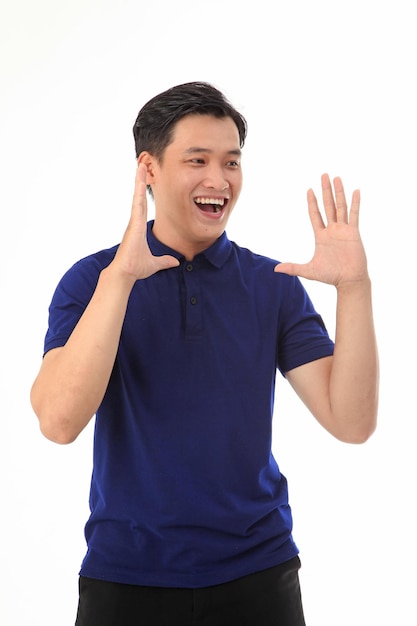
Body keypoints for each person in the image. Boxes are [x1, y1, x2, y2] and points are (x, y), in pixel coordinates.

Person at [30, 81, 379, 626]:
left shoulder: (274, 284)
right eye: (198, 160)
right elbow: (58, 421)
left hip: (259, 575)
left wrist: (355, 289)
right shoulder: (91, 281)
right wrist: (121, 279)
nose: (219, 181)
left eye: (232, 162)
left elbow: (352, 421)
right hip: (126, 578)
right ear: (150, 169)